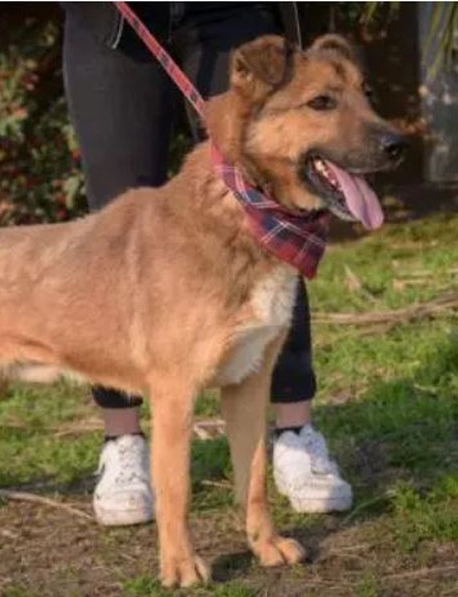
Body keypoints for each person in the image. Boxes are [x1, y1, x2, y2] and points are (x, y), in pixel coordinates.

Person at [61, 2, 352, 526]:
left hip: (228, 9)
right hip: (112, 21)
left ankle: (294, 431)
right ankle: (122, 439)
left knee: (275, 196)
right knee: (115, 218)